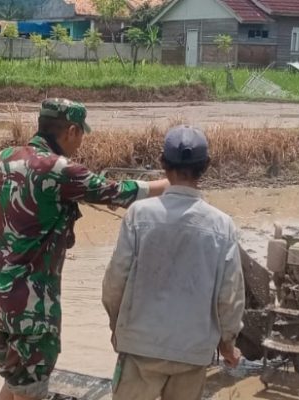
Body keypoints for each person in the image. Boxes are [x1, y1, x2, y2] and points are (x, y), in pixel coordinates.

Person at [0, 99, 169, 400]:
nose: (80, 143)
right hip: (31, 304)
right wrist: (168, 184)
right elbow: (115, 192)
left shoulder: (6, 158)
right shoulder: (59, 169)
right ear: (70, 130)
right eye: (81, 134)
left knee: (17, 380)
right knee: (31, 390)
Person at [102, 125, 246, 400]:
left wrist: (116, 325)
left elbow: (115, 282)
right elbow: (230, 296)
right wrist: (227, 343)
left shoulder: (138, 214)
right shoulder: (222, 225)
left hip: (140, 346)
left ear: (163, 163)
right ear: (205, 167)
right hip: (193, 351)